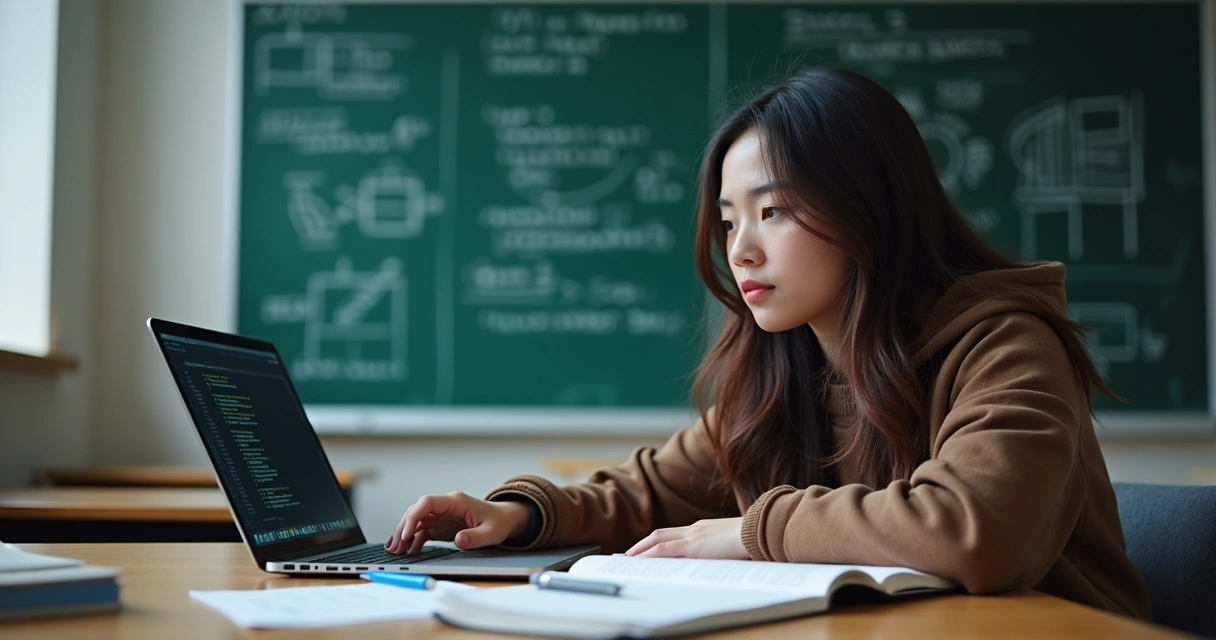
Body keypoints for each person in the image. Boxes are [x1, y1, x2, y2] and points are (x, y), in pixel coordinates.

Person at [385, 68, 1151, 619]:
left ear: (868, 207)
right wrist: (521, 514)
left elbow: (976, 531)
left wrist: (750, 535)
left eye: (773, 211)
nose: (740, 251)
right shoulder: (791, 367)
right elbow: (654, 489)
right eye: (728, 221)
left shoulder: (1002, 343)